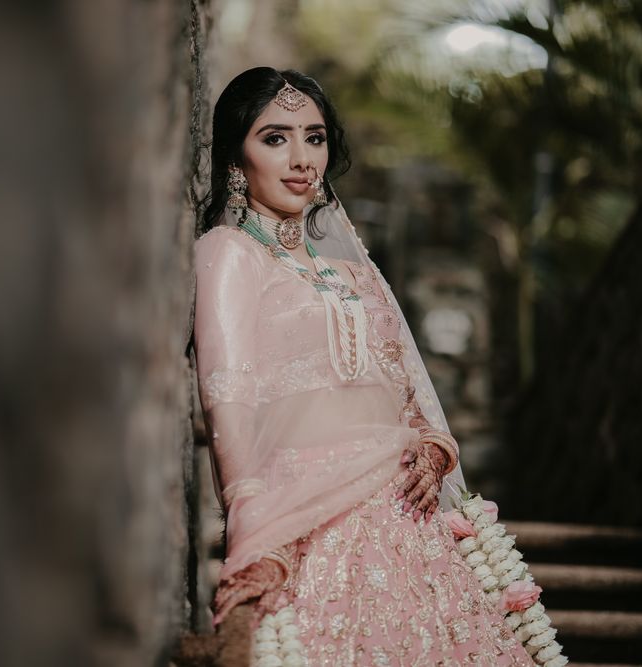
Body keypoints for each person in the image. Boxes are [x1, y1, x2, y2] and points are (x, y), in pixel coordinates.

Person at [193, 67, 534, 665]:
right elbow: (229, 398)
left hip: (412, 527)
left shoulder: (354, 274)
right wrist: (254, 537)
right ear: (234, 158)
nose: (302, 158)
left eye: (315, 137)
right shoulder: (231, 255)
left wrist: (432, 449)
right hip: (310, 529)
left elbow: (405, 395)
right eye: (275, 138)